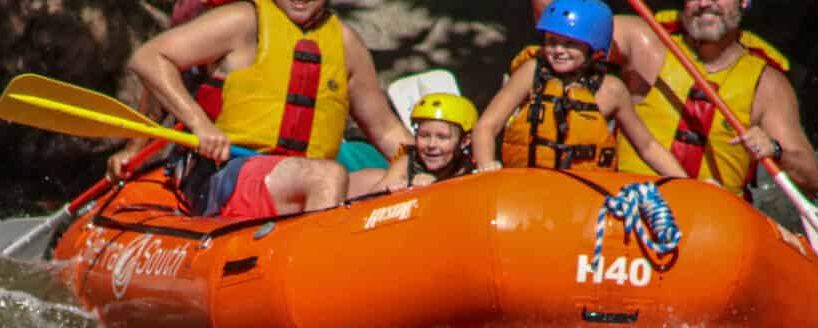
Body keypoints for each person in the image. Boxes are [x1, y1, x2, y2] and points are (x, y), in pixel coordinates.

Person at [126, 0, 412, 220]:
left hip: (305, 180)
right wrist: (201, 125)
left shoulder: (346, 43)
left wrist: (415, 159)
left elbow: (387, 129)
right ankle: (312, 273)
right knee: (326, 176)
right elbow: (149, 58)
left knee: (379, 179)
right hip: (228, 174)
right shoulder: (243, 21)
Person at [606, 0, 818, 196]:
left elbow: (810, 179)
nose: (704, 3)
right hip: (629, 201)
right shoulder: (642, 40)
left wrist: (775, 150)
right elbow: (575, 30)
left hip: (713, 219)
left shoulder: (767, 84)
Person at [473, 0, 686, 178]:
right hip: (529, 186)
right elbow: (487, 126)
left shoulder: (611, 90)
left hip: (583, 194)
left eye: (570, 44)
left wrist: (684, 181)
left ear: (594, 48)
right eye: (552, 41)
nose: (558, 50)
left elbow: (647, 146)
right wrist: (486, 166)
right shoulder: (531, 73)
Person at [379, 93, 480, 189]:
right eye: (424, 135)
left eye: (442, 137)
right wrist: (405, 188)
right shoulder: (406, 163)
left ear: (464, 141)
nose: (431, 144)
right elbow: (374, 200)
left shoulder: (472, 164)